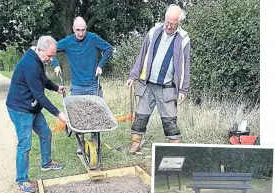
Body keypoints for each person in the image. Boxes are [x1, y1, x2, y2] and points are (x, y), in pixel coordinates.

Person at [6, 36, 67, 193]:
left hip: (32, 107)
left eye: (53, 56)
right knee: (25, 144)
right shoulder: (30, 64)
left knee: (45, 133)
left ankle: (46, 163)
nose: (51, 59)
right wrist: (58, 113)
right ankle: (22, 180)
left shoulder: (38, 59)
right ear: (40, 50)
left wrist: (55, 88)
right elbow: (39, 95)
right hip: (20, 109)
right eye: (50, 56)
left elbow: (43, 80)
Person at [126, 4, 191, 154]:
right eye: (167, 22)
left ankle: (175, 150)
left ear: (178, 23)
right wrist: (133, 76)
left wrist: (183, 89)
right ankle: (135, 144)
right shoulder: (153, 32)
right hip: (147, 84)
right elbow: (142, 55)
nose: (168, 26)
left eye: (172, 24)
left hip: (166, 87)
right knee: (140, 116)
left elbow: (185, 66)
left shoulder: (183, 40)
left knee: (170, 121)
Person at [52, 16, 113, 154]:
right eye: (78, 30)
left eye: (83, 30)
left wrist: (100, 66)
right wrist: (55, 65)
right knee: (77, 116)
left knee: (96, 115)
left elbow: (109, 49)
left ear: (86, 29)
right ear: (73, 29)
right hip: (77, 86)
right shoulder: (67, 42)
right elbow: (51, 50)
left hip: (92, 84)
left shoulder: (92, 38)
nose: (80, 33)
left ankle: (95, 141)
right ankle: (80, 144)